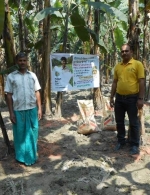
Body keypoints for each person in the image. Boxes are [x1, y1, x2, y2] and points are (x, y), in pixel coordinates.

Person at [5, 52, 42, 165]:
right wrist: (11, 113)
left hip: (32, 108)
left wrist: (39, 108)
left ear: (27, 61)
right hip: (18, 110)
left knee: (34, 131)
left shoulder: (32, 75)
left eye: (24, 60)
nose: (22, 62)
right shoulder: (11, 76)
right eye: (20, 60)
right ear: (17, 62)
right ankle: (21, 157)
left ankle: (31, 155)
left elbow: (37, 92)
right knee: (20, 134)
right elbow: (9, 95)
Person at [110, 44, 145, 155]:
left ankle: (135, 144)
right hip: (119, 98)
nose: (124, 53)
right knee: (119, 122)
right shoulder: (118, 66)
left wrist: (140, 98)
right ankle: (121, 141)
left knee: (133, 122)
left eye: (126, 51)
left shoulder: (137, 64)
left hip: (132, 98)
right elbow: (115, 82)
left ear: (131, 52)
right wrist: (111, 96)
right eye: (122, 51)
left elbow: (142, 82)